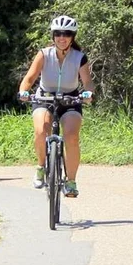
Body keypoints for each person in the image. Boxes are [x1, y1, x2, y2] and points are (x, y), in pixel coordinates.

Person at [18, 15, 94, 197]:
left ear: (72, 37)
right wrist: (23, 91)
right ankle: (41, 166)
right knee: (41, 130)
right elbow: (29, 79)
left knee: (72, 136)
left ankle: (71, 182)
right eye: (58, 33)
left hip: (70, 100)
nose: (62, 37)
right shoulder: (44, 54)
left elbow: (88, 82)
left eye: (67, 34)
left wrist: (88, 93)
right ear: (53, 36)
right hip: (44, 98)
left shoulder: (79, 57)